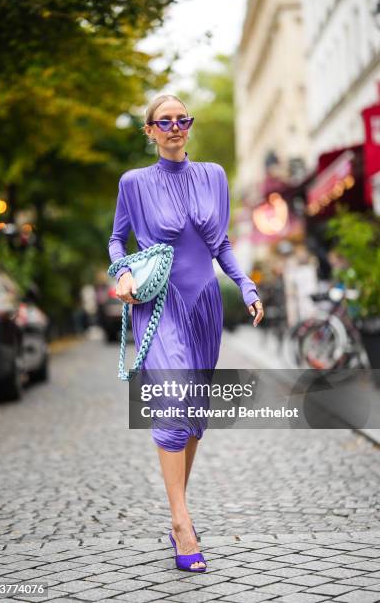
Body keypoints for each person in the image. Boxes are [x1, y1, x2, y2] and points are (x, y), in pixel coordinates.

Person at [108, 94, 264, 571]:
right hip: (158, 305)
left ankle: (179, 507)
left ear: (188, 127)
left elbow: (221, 243)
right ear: (150, 131)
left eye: (182, 119)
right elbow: (118, 238)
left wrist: (246, 284)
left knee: (193, 415)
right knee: (174, 403)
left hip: (205, 307)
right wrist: (123, 273)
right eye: (165, 121)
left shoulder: (215, 176)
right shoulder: (134, 183)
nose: (175, 127)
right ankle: (181, 523)